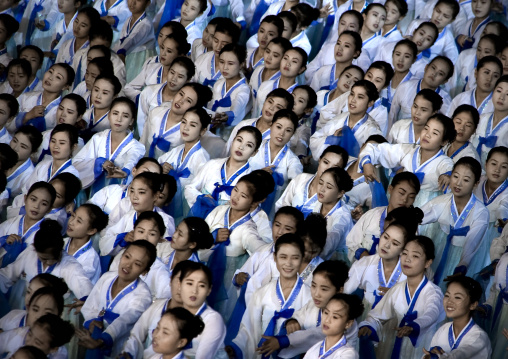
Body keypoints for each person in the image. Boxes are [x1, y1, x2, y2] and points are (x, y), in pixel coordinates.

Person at [358, 236, 445, 359]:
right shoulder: (397, 289)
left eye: (415, 256)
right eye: (404, 253)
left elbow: (432, 313)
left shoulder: (433, 292)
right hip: (395, 346)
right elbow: (377, 314)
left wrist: (414, 326)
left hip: (421, 349)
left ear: (428, 262)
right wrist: (368, 326)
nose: (407, 260)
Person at [229, 234, 312, 359]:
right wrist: (234, 348)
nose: (288, 263)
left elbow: (314, 336)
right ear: (275, 257)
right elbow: (248, 331)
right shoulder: (261, 293)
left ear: (302, 259)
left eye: (295, 258)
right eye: (283, 257)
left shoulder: (310, 297)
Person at [77, 240, 155, 358]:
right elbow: (91, 306)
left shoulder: (143, 296)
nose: (128, 265)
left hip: (120, 351)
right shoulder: (107, 277)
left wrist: (104, 339)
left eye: (137, 264)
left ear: (145, 271)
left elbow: (125, 320)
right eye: (127, 257)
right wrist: (91, 322)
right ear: (122, 255)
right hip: (94, 338)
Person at [72, 97, 145, 194]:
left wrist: (126, 170)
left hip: (118, 195)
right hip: (93, 193)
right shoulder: (98, 138)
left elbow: (132, 158)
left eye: (125, 116)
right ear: (109, 115)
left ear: (131, 121)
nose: (119, 119)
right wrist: (100, 162)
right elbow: (76, 164)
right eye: (115, 113)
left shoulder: (137, 147)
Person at [423, 276, 491, 358]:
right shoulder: (443, 329)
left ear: (473, 305)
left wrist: (436, 356)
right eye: (447, 295)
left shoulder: (479, 338)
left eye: (457, 297)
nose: (449, 301)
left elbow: (460, 355)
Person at [303, 293, 364, 358]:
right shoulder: (315, 348)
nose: (327, 320)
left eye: (335, 317)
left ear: (348, 323)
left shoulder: (348, 354)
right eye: (326, 313)